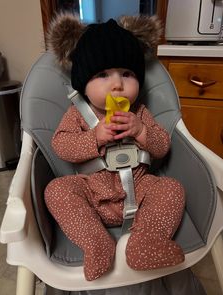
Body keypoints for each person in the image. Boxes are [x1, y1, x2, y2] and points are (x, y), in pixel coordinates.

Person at [45, 14, 185, 281]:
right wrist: (94, 137)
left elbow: (162, 147)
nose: (118, 84)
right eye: (102, 75)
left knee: (171, 188)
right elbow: (61, 145)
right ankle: (96, 242)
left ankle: (144, 241)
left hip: (140, 189)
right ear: (83, 84)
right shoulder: (77, 114)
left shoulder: (139, 113)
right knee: (57, 190)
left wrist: (142, 132)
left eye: (127, 74)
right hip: (93, 193)